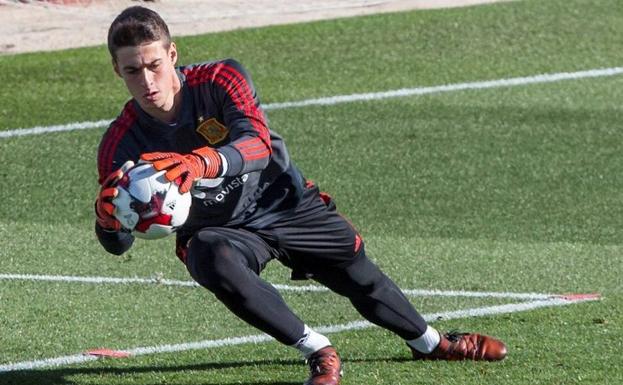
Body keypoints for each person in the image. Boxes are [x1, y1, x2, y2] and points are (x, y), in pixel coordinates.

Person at [95, 6, 507, 385]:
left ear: (172, 54)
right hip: (221, 230)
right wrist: (108, 223)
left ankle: (432, 343)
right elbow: (120, 243)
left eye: (154, 64)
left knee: (356, 272)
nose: (148, 82)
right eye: (133, 71)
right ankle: (317, 350)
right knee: (208, 256)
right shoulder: (120, 145)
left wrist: (204, 163)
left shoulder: (221, 79)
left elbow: (255, 143)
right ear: (116, 70)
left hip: (282, 201)